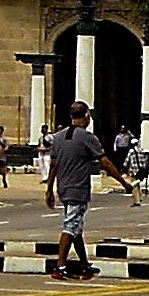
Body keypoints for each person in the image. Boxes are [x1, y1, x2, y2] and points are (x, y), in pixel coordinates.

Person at [40, 102, 104, 280]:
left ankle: (84, 265)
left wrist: (49, 190)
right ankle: (60, 266)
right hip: (78, 189)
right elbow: (103, 161)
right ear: (86, 116)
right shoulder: (87, 137)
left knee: (76, 227)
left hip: (63, 188)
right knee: (70, 227)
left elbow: (53, 165)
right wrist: (124, 182)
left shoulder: (58, 137)